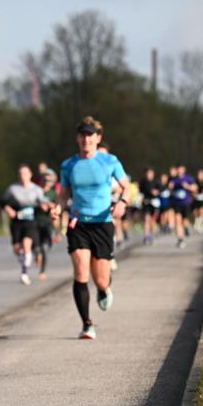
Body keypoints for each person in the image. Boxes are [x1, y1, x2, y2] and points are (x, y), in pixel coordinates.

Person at [52, 116, 129, 340]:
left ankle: (104, 289)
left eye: (90, 135)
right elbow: (64, 194)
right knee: (80, 273)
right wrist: (58, 208)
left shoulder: (110, 161)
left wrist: (122, 203)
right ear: (77, 138)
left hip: (103, 224)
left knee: (101, 280)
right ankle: (87, 324)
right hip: (79, 224)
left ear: (98, 138)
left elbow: (126, 187)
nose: (86, 139)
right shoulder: (68, 165)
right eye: (83, 135)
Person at [2, 165, 48, 285]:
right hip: (17, 223)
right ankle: (24, 259)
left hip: (30, 222)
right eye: (21, 174)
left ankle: (24, 273)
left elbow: (43, 202)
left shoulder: (36, 189)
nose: (23, 176)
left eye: (25, 173)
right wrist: (8, 210)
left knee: (27, 245)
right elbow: (3, 202)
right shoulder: (13, 189)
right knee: (17, 249)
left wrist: (44, 206)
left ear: (30, 175)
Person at [35, 169, 59, 280]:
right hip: (35, 222)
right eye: (44, 180)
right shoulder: (36, 191)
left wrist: (49, 205)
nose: (46, 182)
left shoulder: (53, 194)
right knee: (36, 247)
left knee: (44, 248)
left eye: (49, 180)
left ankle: (42, 271)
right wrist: (39, 205)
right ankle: (37, 255)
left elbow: (58, 207)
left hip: (47, 223)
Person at [168, 165, 196, 248]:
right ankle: (180, 239)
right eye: (178, 169)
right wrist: (171, 187)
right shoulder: (173, 179)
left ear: (184, 169)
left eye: (181, 169)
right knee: (177, 220)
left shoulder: (189, 178)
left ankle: (186, 227)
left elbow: (194, 188)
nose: (179, 170)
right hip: (177, 203)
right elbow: (169, 189)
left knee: (185, 221)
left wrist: (187, 186)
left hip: (186, 203)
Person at [139, 168, 160, 245]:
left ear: (153, 174)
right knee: (146, 219)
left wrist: (156, 192)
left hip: (155, 204)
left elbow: (161, 190)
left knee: (152, 221)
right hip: (146, 203)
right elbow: (140, 191)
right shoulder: (143, 182)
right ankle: (146, 236)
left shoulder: (156, 182)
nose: (149, 175)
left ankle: (152, 235)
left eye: (151, 174)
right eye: (148, 174)